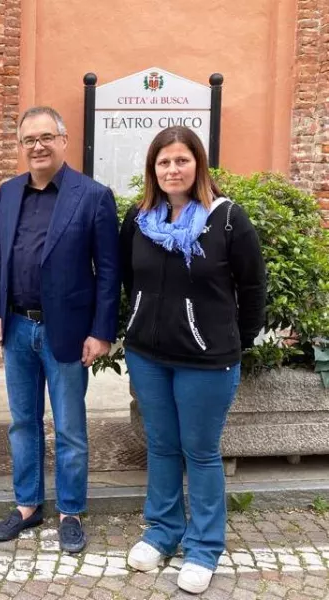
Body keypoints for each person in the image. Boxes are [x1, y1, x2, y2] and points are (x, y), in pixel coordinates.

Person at [119, 126, 266, 594]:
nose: (172, 170)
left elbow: (253, 288)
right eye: (163, 163)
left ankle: (203, 546)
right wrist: (141, 323)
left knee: (199, 452)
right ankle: (162, 531)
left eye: (181, 160)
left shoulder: (226, 220)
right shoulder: (139, 220)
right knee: (161, 447)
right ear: (153, 170)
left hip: (207, 361)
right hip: (148, 356)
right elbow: (129, 279)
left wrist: (231, 342)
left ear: (198, 165)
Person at [0, 106, 120, 553]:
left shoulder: (93, 195)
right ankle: (27, 505)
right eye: (29, 140)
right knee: (22, 423)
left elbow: (109, 270)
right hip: (19, 326)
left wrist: (101, 332)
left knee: (69, 427)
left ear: (63, 140)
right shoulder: (7, 193)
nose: (38, 146)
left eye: (47, 137)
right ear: (21, 146)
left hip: (66, 330)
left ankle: (70, 510)